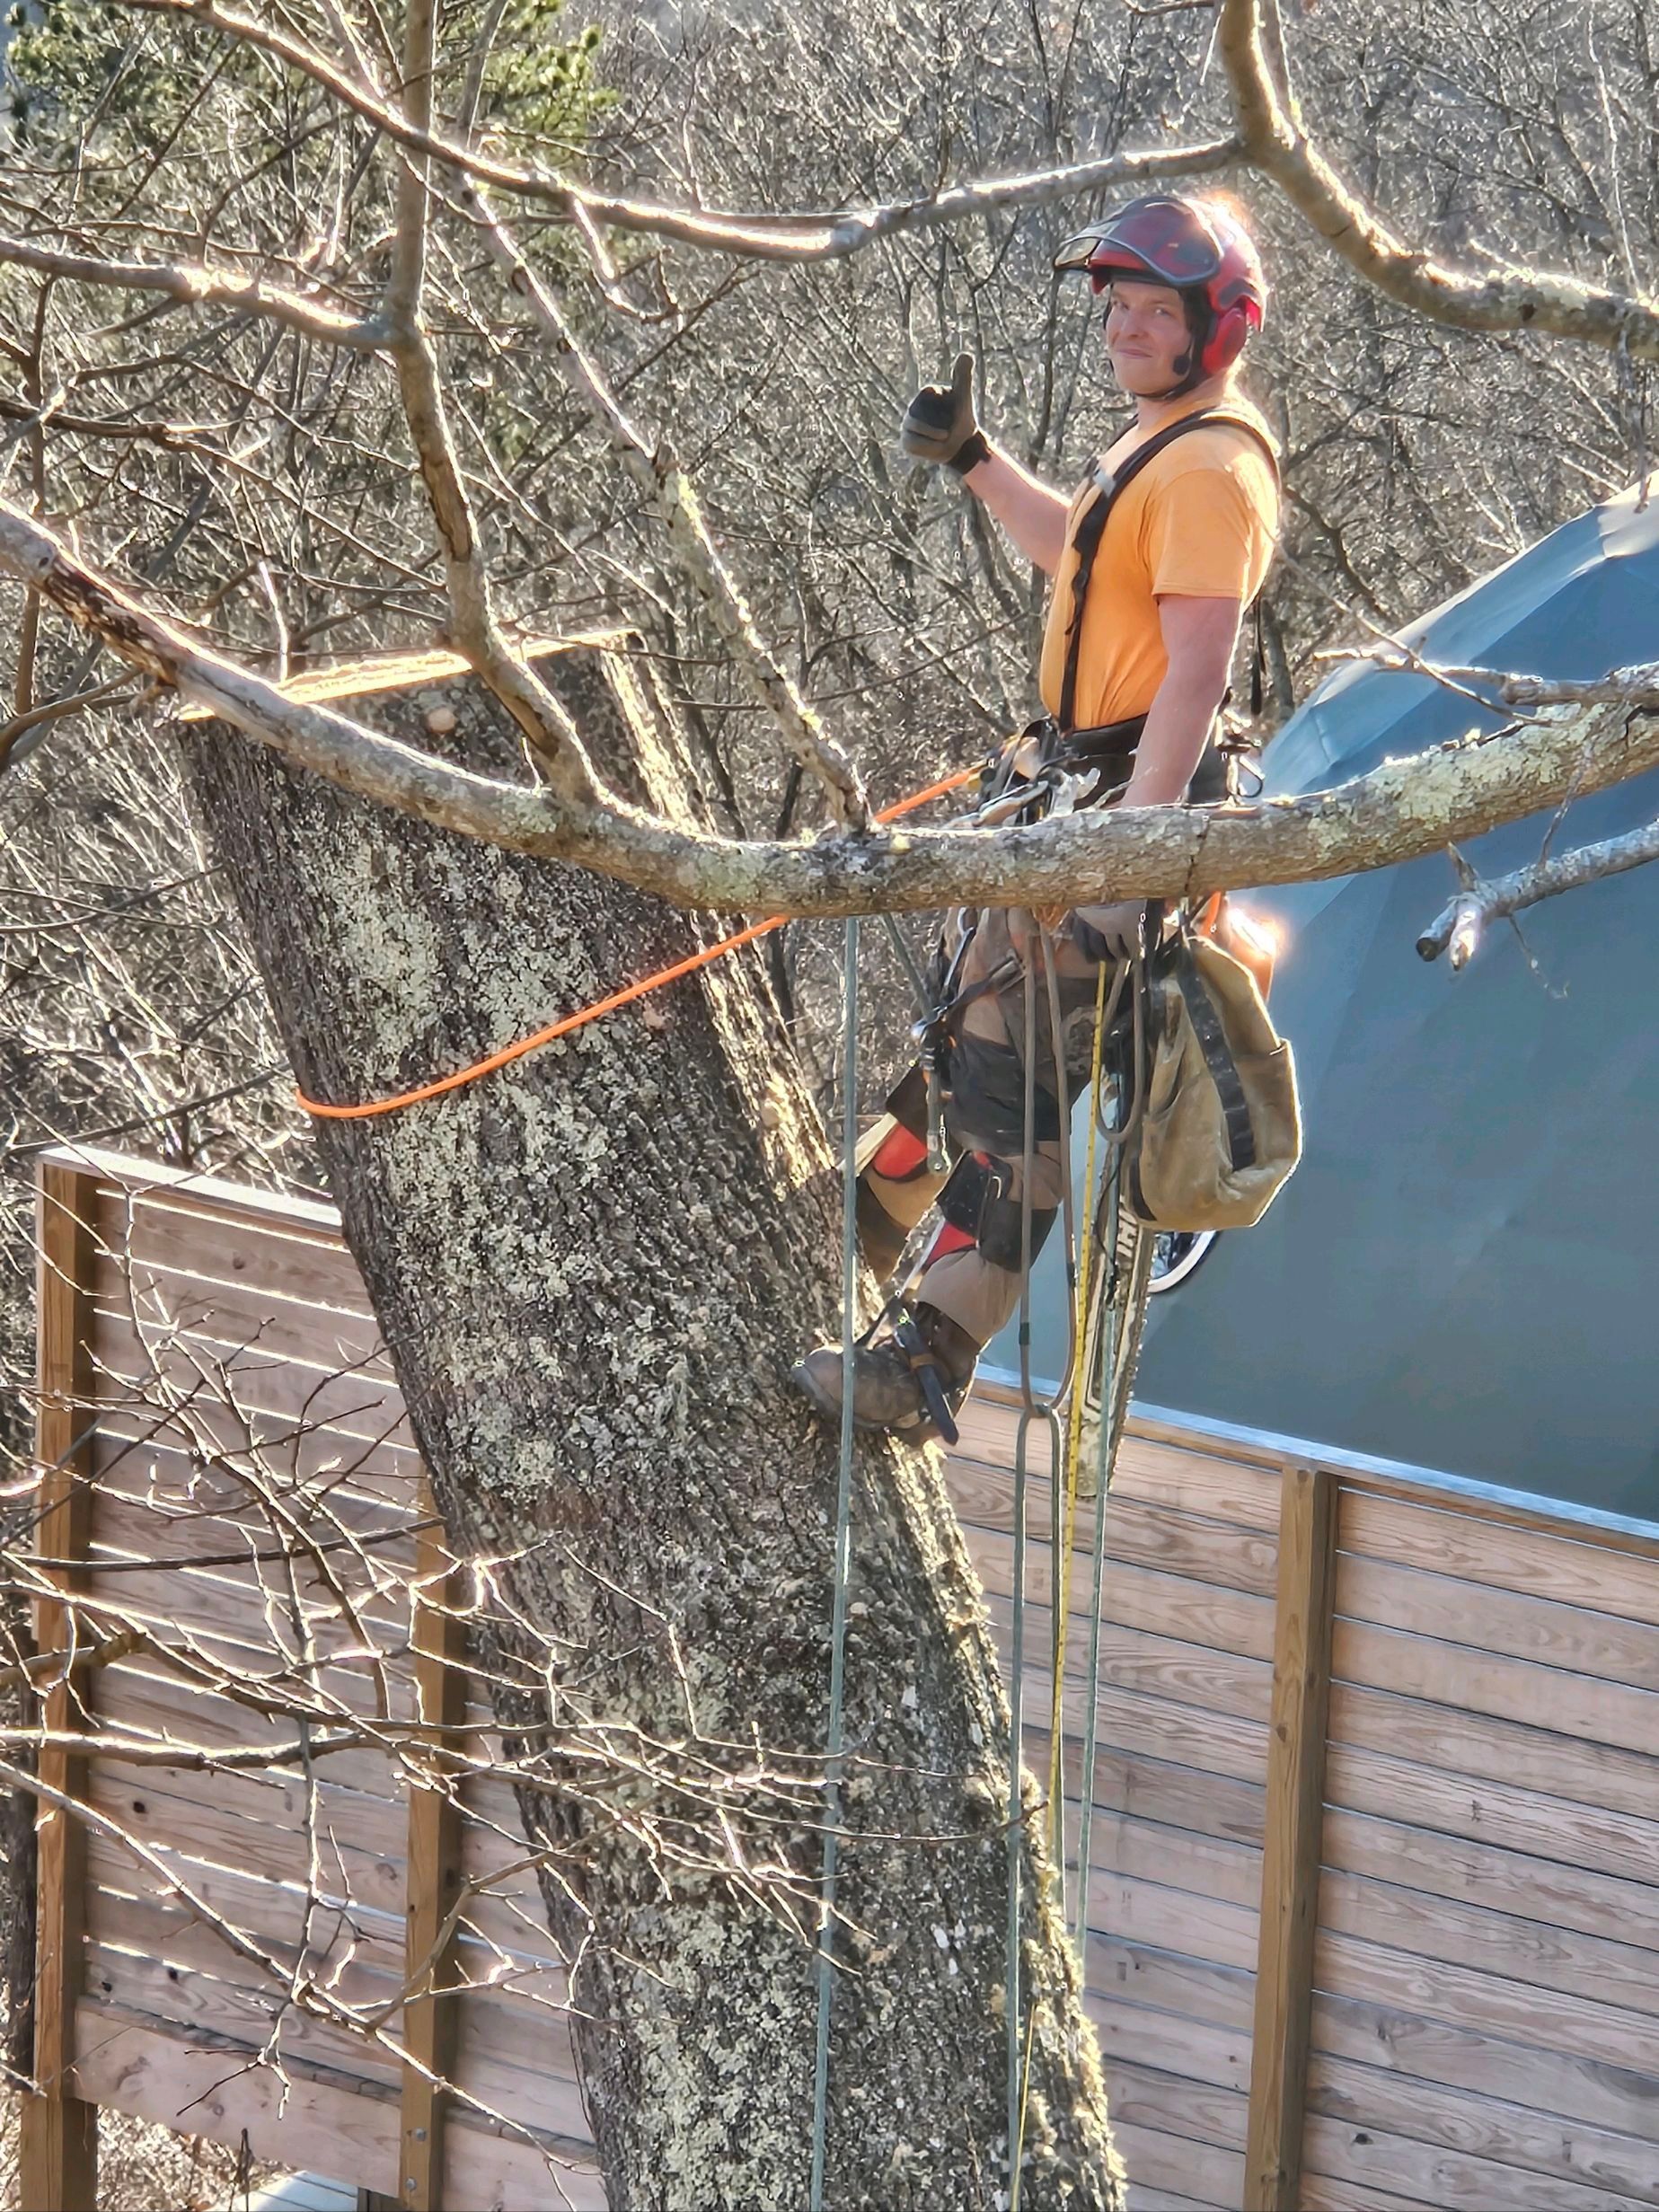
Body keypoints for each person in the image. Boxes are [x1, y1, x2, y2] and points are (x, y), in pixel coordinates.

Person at [792, 192, 1281, 1444]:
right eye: (1115, 299)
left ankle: (930, 1355)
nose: (1122, 320)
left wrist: (1133, 851)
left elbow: (1197, 673)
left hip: (1128, 800)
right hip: (1080, 793)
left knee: (1019, 1080)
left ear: (1212, 327)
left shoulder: (1217, 468)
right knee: (970, 1022)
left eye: (1152, 305)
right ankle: (861, 1215)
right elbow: (1082, 555)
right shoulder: (1159, 447)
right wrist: (974, 458)